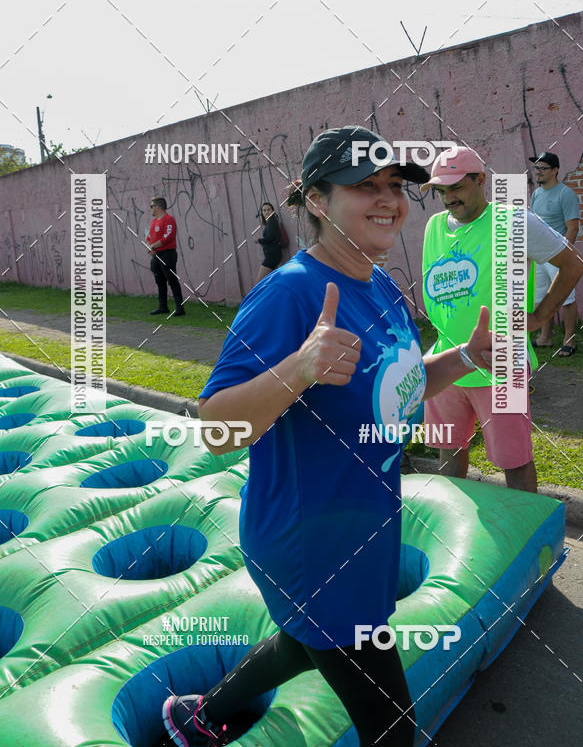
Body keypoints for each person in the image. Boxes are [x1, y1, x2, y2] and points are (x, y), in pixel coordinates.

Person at [162, 126, 496, 747]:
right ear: (316, 201)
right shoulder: (288, 294)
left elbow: (393, 387)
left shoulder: (384, 286)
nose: (389, 199)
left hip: (361, 525)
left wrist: (460, 357)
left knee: (301, 641)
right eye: (363, 186)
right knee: (392, 728)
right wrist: (299, 368)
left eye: (395, 185)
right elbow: (216, 430)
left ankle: (200, 718)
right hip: (311, 543)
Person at [421, 146, 583, 494]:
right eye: (441, 191)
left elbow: (573, 264)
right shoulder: (434, 226)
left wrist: (541, 316)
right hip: (447, 362)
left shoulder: (513, 221)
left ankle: (527, 540)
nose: (449, 198)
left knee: (515, 460)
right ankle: (454, 526)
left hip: (503, 365)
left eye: (457, 188)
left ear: (480, 180)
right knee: (448, 451)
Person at [529, 151, 581, 356]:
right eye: (537, 168)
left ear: (555, 170)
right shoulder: (536, 194)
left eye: (543, 168)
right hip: (540, 254)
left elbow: (573, 228)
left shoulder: (565, 194)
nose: (538, 172)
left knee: (566, 296)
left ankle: (570, 340)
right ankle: (545, 337)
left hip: (558, 253)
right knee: (542, 297)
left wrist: (565, 256)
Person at [145, 196, 185, 316]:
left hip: (168, 254)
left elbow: (168, 236)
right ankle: (163, 307)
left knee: (172, 280)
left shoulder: (169, 219)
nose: (150, 209)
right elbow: (149, 237)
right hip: (156, 256)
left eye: (151, 206)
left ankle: (180, 309)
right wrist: (149, 246)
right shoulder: (153, 222)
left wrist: (153, 246)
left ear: (157, 207)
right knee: (159, 281)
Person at [255, 202, 283, 283]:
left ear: (272, 211)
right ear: (262, 213)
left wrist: (259, 240)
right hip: (272, 255)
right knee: (271, 282)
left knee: (259, 282)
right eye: (264, 210)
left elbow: (270, 238)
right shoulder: (270, 221)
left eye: (268, 209)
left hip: (272, 257)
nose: (266, 212)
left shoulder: (272, 221)